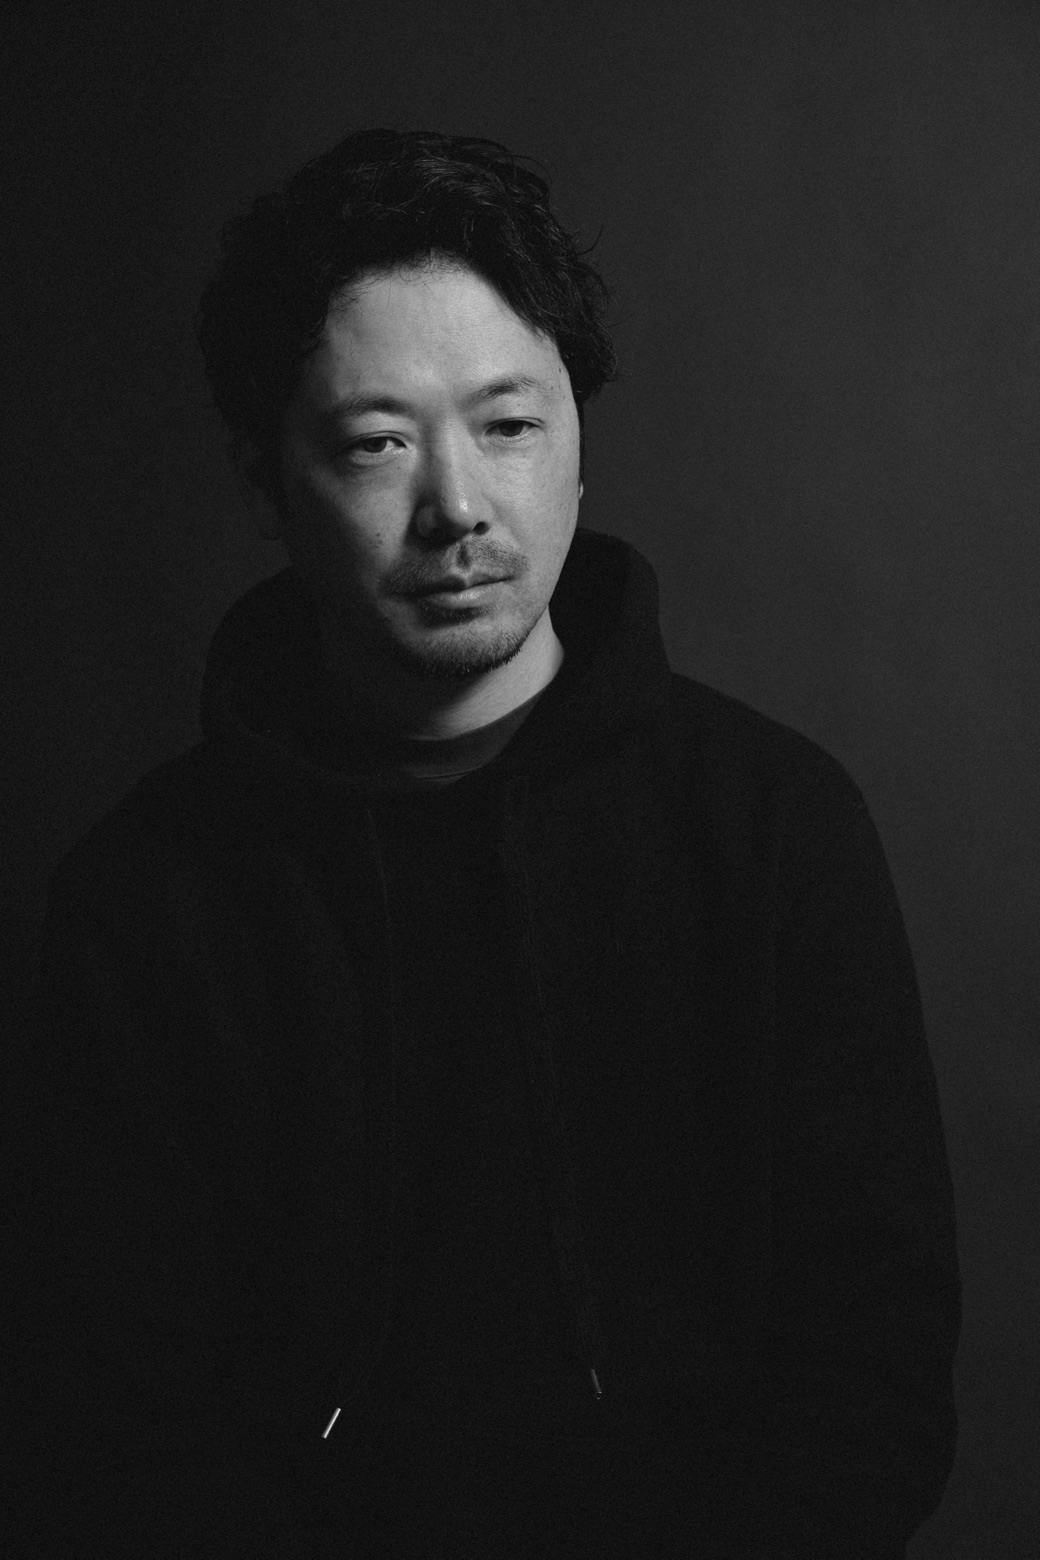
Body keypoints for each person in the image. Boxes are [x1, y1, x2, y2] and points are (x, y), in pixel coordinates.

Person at [14, 129, 960, 1557]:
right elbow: (112, 1427)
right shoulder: (145, 899)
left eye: (509, 425)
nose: (457, 505)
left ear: (580, 444)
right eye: (377, 443)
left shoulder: (772, 826)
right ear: (267, 483)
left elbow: (873, 1377)